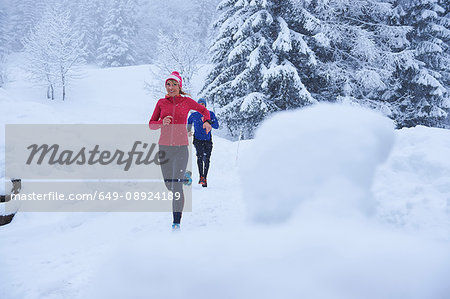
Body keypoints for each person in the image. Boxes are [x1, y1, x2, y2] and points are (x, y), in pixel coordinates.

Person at [149, 71, 212, 231]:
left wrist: (206, 121)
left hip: (181, 148)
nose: (170, 87)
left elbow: (204, 111)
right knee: (169, 184)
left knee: (176, 187)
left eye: (174, 84)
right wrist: (162, 122)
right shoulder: (161, 103)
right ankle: (184, 177)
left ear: (179, 86)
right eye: (168, 84)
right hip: (164, 148)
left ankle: (176, 223)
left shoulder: (187, 102)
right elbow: (151, 124)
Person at [187, 98, 219, 187]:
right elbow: (189, 122)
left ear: (205, 105)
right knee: (200, 157)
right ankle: (201, 177)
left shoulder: (210, 114)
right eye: (199, 104)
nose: (201, 105)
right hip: (197, 140)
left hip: (208, 140)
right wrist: (188, 130)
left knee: (207, 159)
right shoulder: (194, 115)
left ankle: (205, 177)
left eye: (203, 104)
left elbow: (216, 126)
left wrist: (209, 121)